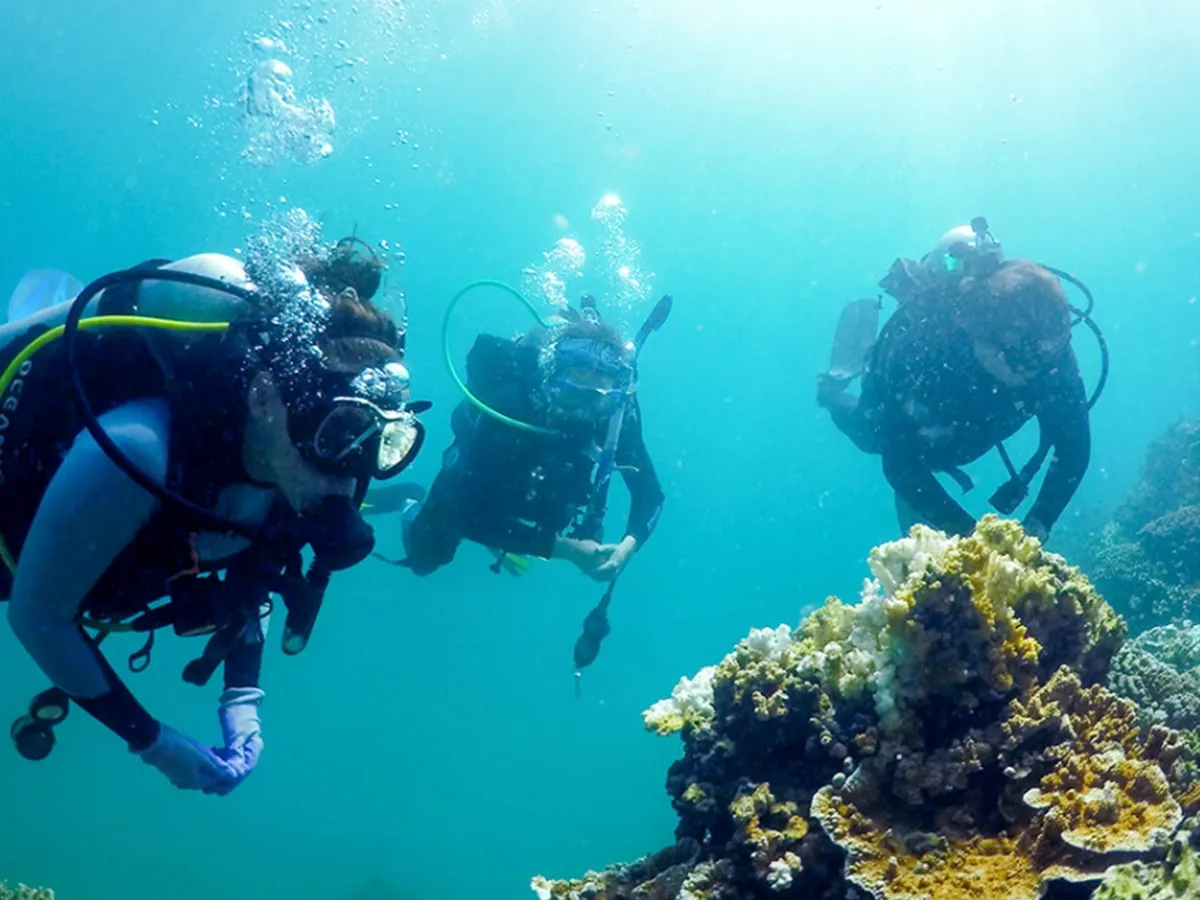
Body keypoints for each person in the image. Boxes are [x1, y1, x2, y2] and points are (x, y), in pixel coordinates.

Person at [0, 234, 426, 795]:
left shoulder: (300, 462)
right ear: (263, 399)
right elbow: (39, 618)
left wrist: (243, 698)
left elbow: (261, 570)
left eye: (381, 446)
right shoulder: (140, 449)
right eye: (333, 434)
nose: (345, 480)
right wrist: (153, 742)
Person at [817, 218, 1095, 542]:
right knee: (869, 436)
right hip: (916, 431)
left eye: (1048, 351)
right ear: (978, 338)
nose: (1032, 371)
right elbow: (900, 465)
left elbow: (1074, 444)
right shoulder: (925, 350)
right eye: (1018, 358)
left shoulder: (1046, 349)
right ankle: (830, 388)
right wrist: (971, 537)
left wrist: (1038, 525)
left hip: (975, 428)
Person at [396, 295, 665, 582]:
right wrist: (566, 549)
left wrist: (628, 547)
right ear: (550, 380)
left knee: (549, 512)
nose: (581, 410)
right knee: (425, 555)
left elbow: (650, 495)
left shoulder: (614, 419)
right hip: (479, 480)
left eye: (596, 398)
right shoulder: (512, 403)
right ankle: (408, 499)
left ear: (612, 397)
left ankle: (507, 535)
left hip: (541, 496)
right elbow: (465, 511)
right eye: (571, 392)